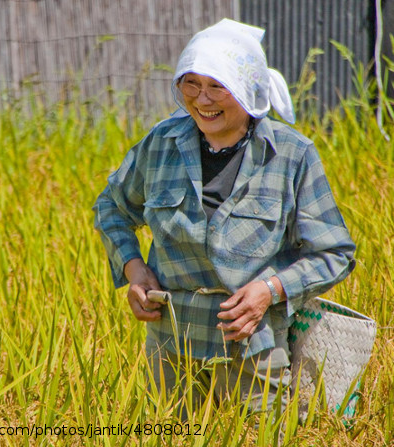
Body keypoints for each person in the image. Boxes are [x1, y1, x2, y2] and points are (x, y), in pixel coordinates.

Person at [93, 19, 356, 414]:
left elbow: (334, 253)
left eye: (218, 85)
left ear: (248, 89)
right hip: (171, 350)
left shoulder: (291, 155)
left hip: (253, 350)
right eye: (191, 83)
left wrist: (269, 291)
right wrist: (133, 269)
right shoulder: (161, 144)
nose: (202, 99)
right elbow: (111, 206)